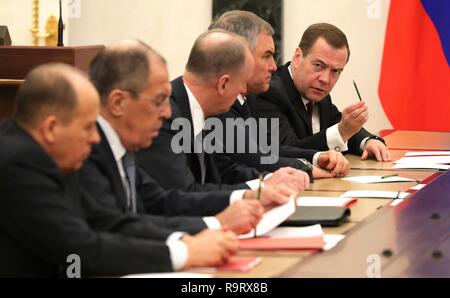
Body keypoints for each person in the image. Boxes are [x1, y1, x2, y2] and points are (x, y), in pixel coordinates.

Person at [0, 63, 239, 277]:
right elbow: (81, 248)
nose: (95, 139)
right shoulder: (18, 161)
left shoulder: (49, 155)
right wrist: (182, 253)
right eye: (87, 128)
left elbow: (107, 222)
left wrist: (184, 242)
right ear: (51, 128)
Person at [82, 38, 291, 238]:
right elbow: (115, 231)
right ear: (118, 103)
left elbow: (161, 200)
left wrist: (246, 196)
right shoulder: (86, 154)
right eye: (158, 101)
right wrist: (215, 226)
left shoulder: (120, 147)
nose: (165, 111)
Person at [137, 29, 310, 194]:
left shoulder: (201, 110)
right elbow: (181, 193)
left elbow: (221, 172)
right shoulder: (168, 117)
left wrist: (267, 181)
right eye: (242, 82)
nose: (243, 90)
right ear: (223, 84)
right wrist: (255, 192)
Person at [209, 10, 350, 178]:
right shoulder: (217, 104)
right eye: (266, 56)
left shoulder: (249, 97)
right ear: (238, 57)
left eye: (335, 71)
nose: (274, 67)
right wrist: (305, 168)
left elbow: (269, 148)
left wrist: (316, 157)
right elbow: (250, 159)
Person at [258, 23, 391, 162]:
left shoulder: (319, 94)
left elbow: (339, 124)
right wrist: (342, 131)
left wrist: (368, 141)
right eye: (318, 65)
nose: (325, 79)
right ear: (297, 58)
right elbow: (284, 150)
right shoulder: (270, 91)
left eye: (335, 71)